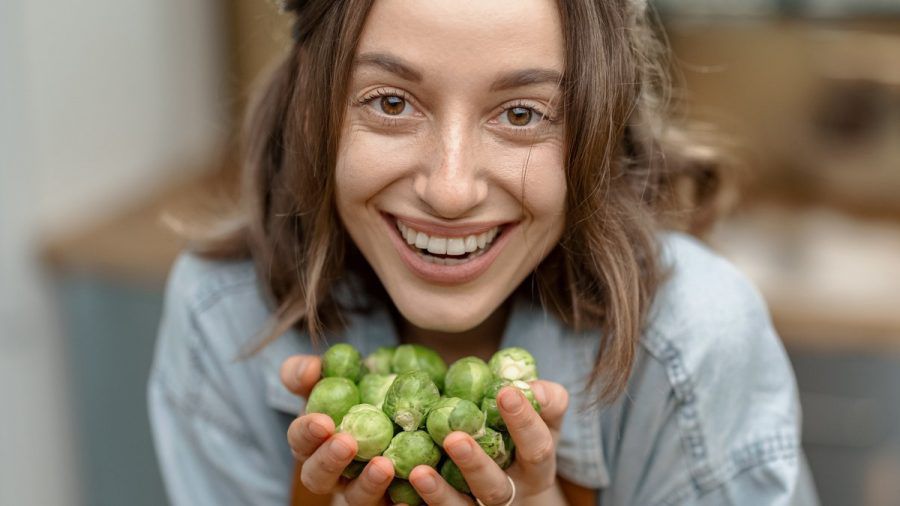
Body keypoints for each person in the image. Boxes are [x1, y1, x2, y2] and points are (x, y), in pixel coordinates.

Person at [147, 1, 820, 505]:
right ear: (311, 107)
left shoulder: (694, 341)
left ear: (598, 125)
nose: (450, 190)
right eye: (389, 102)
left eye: (522, 114)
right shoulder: (220, 314)